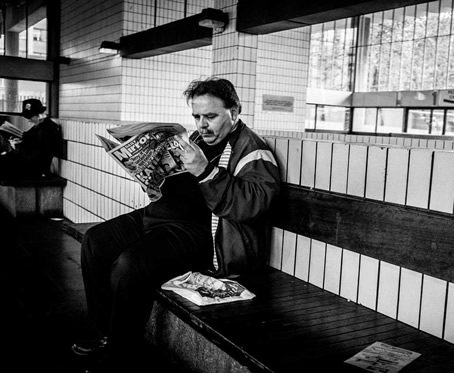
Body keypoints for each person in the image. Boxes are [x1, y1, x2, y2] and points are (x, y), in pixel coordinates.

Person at [72, 77, 280, 371]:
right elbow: (175, 184)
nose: (202, 124)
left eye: (211, 116)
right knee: (95, 240)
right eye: (196, 116)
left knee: (130, 264)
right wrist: (151, 180)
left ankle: (120, 352)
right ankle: (102, 331)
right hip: (157, 216)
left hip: (195, 235)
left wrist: (206, 171)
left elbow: (252, 204)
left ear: (235, 112)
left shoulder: (252, 150)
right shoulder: (193, 139)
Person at [0, 99, 62, 181]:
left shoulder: (48, 129)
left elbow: (39, 153)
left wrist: (18, 147)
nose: (29, 120)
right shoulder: (39, 126)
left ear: (39, 115)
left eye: (30, 117)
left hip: (35, 167)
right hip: (29, 162)